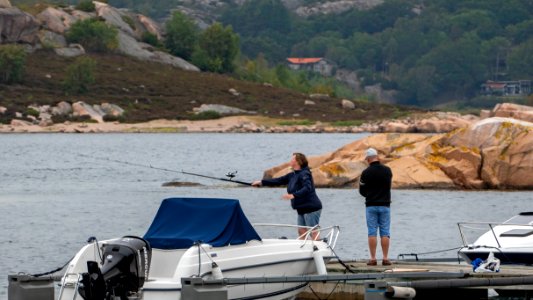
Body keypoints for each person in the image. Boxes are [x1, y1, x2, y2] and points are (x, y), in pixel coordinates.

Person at [252, 153, 322, 240]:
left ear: (298, 162)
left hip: (311, 208)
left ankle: (319, 249)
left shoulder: (304, 174)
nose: (290, 160)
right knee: (301, 231)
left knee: (312, 232)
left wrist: (293, 195)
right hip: (301, 208)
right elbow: (278, 180)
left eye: (292, 159)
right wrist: (261, 182)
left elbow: (307, 188)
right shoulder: (293, 175)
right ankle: (303, 250)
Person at [359, 147, 393, 266]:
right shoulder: (387, 171)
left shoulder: (365, 173)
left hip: (371, 205)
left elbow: (361, 191)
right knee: (385, 232)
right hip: (385, 205)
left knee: (372, 232)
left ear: (368, 159)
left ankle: (373, 259)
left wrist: (369, 194)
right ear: (377, 157)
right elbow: (388, 187)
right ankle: (385, 258)